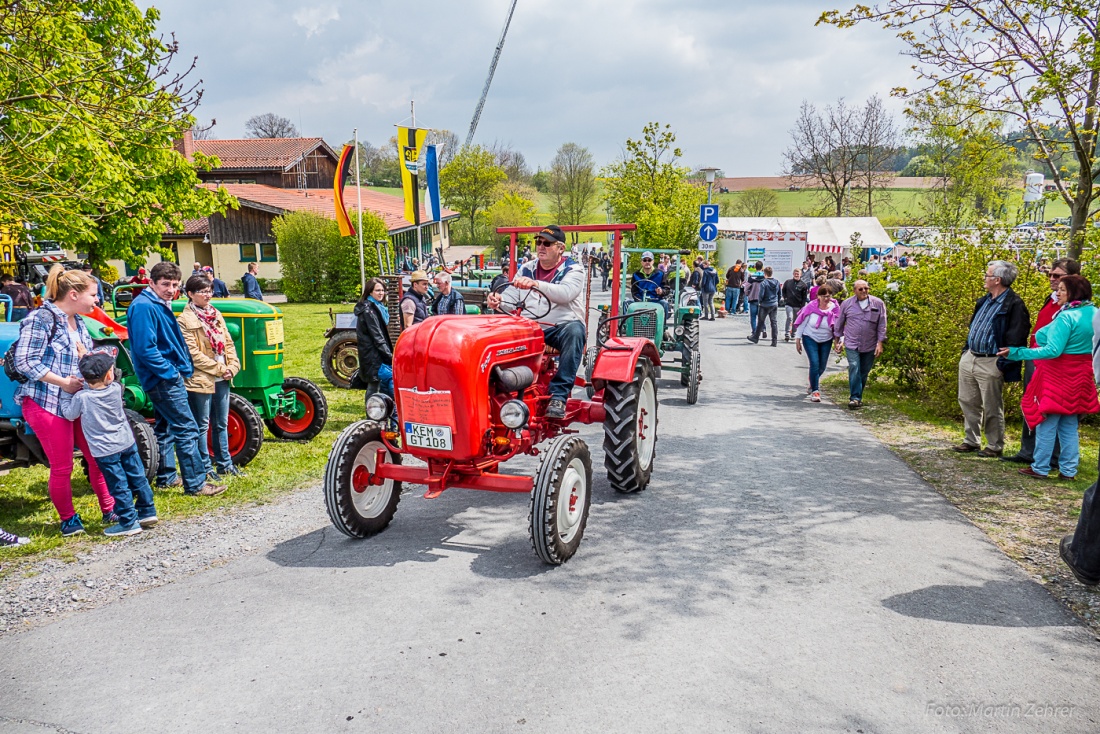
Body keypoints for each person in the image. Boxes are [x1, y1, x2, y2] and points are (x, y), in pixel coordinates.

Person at [13, 265, 117, 535]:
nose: (97, 300)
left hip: (78, 399)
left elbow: (81, 358)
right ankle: (69, 519)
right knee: (63, 466)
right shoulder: (40, 319)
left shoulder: (78, 322)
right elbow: (25, 361)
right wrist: (63, 383)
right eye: (93, 295)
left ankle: (110, 509)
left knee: (97, 456)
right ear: (73, 294)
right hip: (45, 401)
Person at [128, 261, 226, 497]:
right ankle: (196, 483)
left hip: (167, 374)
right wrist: (171, 373)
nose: (170, 289)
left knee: (165, 428)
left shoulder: (159, 303)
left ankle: (167, 477)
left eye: (174, 284)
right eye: (165, 284)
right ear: (151, 283)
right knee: (187, 428)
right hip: (162, 378)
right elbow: (145, 349)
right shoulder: (144, 306)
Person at [998, 275, 1098, 479]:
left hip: (1058, 375)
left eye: (1062, 289)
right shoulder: (1094, 313)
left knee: (1047, 422)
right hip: (1082, 374)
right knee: (1069, 424)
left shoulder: (1067, 317)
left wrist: (1017, 352)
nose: (1058, 292)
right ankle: (1068, 471)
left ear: (1074, 292)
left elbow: (1052, 350)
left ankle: (1040, 467)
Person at [486, 224, 585, 420]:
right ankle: (501, 389)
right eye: (538, 242)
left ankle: (559, 395)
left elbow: (565, 294)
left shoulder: (573, 269)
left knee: (575, 331)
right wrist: (498, 301)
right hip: (532, 327)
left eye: (547, 243)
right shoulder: (527, 268)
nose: (541, 246)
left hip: (560, 327)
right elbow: (511, 299)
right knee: (496, 332)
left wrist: (536, 284)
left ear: (560, 248)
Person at [60, 349, 158, 536]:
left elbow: (69, 414)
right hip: (127, 443)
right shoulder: (116, 389)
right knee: (138, 478)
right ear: (109, 375)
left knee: (118, 485)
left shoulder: (83, 397)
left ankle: (129, 522)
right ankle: (147, 511)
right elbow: (101, 381)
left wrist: (66, 393)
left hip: (105, 450)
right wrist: (86, 357)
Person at [1003, 258, 1080, 466]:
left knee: (1052, 407)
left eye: (1058, 275)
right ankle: (1029, 450)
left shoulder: (1074, 306)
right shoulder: (1052, 298)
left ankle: (1051, 457)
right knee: (1031, 401)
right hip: (1036, 356)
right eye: (1051, 275)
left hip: (1054, 362)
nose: (1052, 279)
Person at [952, 260, 1031, 457]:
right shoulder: (984, 300)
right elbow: (975, 327)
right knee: (967, 400)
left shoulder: (1014, 304)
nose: (984, 279)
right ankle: (971, 440)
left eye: (987, 276)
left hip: (991, 361)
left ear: (998, 280)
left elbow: (1018, 335)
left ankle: (994, 445)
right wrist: (966, 351)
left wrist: (1003, 364)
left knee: (991, 405)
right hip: (971, 357)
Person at [178, 274, 243, 481]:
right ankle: (205, 467)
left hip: (223, 375)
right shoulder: (184, 320)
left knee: (221, 422)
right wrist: (219, 368)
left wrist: (233, 366)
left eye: (209, 291)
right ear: (190, 294)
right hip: (201, 378)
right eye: (202, 292)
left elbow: (229, 343)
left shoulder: (216, 314)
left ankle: (225, 464)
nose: (208, 295)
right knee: (202, 424)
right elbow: (193, 354)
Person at [833, 280, 887, 409]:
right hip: (852, 343)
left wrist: (880, 343)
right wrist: (837, 341)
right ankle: (855, 398)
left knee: (863, 372)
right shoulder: (847, 304)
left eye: (866, 288)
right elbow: (839, 323)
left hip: (870, 344)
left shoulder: (878, 303)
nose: (864, 291)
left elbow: (882, 324)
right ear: (854, 291)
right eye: (860, 289)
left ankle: (858, 397)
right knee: (854, 366)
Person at [793, 283, 839, 403]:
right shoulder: (811, 307)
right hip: (810, 337)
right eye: (823, 296)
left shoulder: (834, 308)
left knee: (822, 366)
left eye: (828, 296)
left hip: (826, 339)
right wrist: (797, 340)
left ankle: (812, 381)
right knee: (814, 363)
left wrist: (839, 340)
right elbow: (802, 323)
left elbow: (838, 326)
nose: (826, 298)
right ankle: (815, 391)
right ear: (818, 296)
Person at [355, 278, 395, 396]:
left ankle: (381, 411)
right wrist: (390, 356)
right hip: (372, 354)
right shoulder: (369, 311)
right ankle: (371, 413)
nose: (381, 293)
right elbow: (377, 336)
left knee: (378, 384)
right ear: (370, 292)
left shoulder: (377, 307)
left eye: (383, 290)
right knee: (374, 386)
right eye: (377, 290)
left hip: (375, 352)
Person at [630, 251, 670, 317]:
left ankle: (662, 326)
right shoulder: (636, 275)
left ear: (653, 261)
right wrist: (639, 300)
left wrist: (661, 291)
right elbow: (634, 291)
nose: (647, 262)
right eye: (645, 260)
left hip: (656, 301)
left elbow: (667, 289)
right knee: (627, 303)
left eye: (649, 260)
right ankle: (627, 325)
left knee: (664, 304)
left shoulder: (661, 274)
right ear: (641, 262)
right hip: (640, 301)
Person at [747, 266, 780, 346]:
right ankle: (774, 341)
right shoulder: (777, 282)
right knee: (774, 322)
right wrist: (776, 301)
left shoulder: (764, 283)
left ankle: (755, 337)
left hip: (765, 304)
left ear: (765, 274)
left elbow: (761, 294)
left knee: (761, 321)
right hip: (774, 304)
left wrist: (760, 302)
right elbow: (779, 293)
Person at [781, 268, 808, 342]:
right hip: (789, 304)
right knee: (789, 317)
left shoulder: (803, 285)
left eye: (798, 274)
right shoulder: (788, 282)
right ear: (793, 274)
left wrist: (802, 306)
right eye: (795, 273)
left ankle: (793, 333)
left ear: (800, 275)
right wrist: (785, 298)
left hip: (797, 305)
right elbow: (783, 290)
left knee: (795, 320)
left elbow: (804, 297)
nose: (796, 275)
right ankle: (787, 333)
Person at [744, 262, 765, 337]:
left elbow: (746, 287)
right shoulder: (765, 276)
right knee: (761, 316)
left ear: (755, 267)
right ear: (762, 267)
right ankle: (764, 329)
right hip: (762, 299)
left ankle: (754, 332)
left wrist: (747, 294)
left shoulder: (752, 276)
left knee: (753, 316)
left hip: (753, 298)